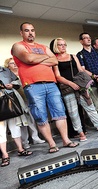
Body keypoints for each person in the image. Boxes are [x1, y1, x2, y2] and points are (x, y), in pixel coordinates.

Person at [11, 22, 79, 153]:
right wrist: (45, 58)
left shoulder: (43, 46)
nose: (30, 33)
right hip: (32, 86)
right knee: (41, 117)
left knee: (60, 113)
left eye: (32, 30)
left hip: (51, 84)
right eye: (27, 30)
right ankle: (52, 144)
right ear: (21, 33)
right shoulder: (18, 46)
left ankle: (66, 140)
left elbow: (54, 61)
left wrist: (38, 58)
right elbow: (28, 59)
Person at [52, 38, 98, 140]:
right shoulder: (54, 60)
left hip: (81, 86)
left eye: (64, 44)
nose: (63, 46)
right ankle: (81, 133)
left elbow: (81, 70)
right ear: (55, 46)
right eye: (60, 45)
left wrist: (87, 85)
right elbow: (58, 76)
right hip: (67, 88)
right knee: (73, 112)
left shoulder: (73, 56)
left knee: (91, 108)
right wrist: (70, 83)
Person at [4, 58, 45, 149]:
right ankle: (25, 142)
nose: (14, 64)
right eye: (11, 63)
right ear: (7, 66)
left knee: (31, 120)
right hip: (16, 102)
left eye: (15, 63)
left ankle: (35, 138)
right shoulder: (6, 76)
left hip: (28, 98)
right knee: (22, 123)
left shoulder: (22, 72)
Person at [0, 65, 33, 167]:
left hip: (11, 101)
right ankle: (5, 155)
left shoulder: (5, 70)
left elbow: (17, 82)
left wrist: (12, 85)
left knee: (15, 127)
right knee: (1, 131)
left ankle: (20, 149)